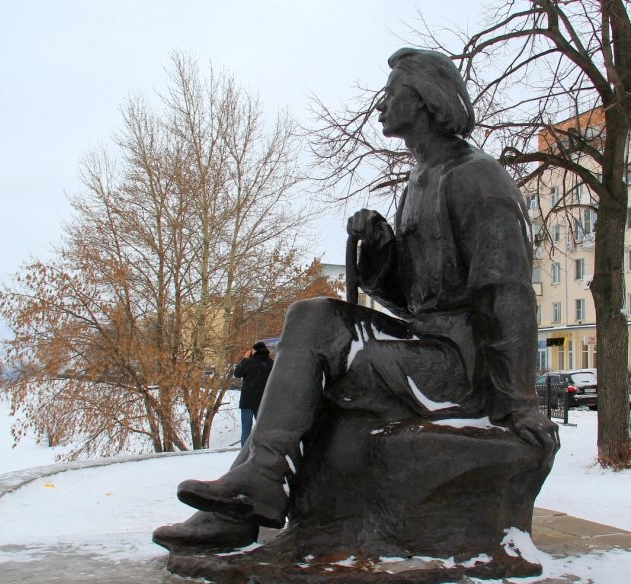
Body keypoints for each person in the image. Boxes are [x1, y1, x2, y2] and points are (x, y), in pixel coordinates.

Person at [153, 47, 557, 552]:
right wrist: (383, 251)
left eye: (390, 95)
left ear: (425, 100)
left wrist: (520, 404)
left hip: (459, 365)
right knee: (311, 316)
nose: (380, 107)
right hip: (426, 344)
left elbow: (508, 297)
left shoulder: (477, 178)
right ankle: (256, 480)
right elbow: (409, 299)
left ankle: (247, 498)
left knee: (328, 364)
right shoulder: (418, 182)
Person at [234, 341, 273, 445]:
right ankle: (264, 452)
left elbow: (237, 373)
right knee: (263, 430)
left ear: (254, 351)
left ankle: (244, 455)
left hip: (247, 401)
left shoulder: (249, 362)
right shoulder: (272, 363)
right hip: (263, 402)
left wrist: (245, 358)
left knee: (246, 431)